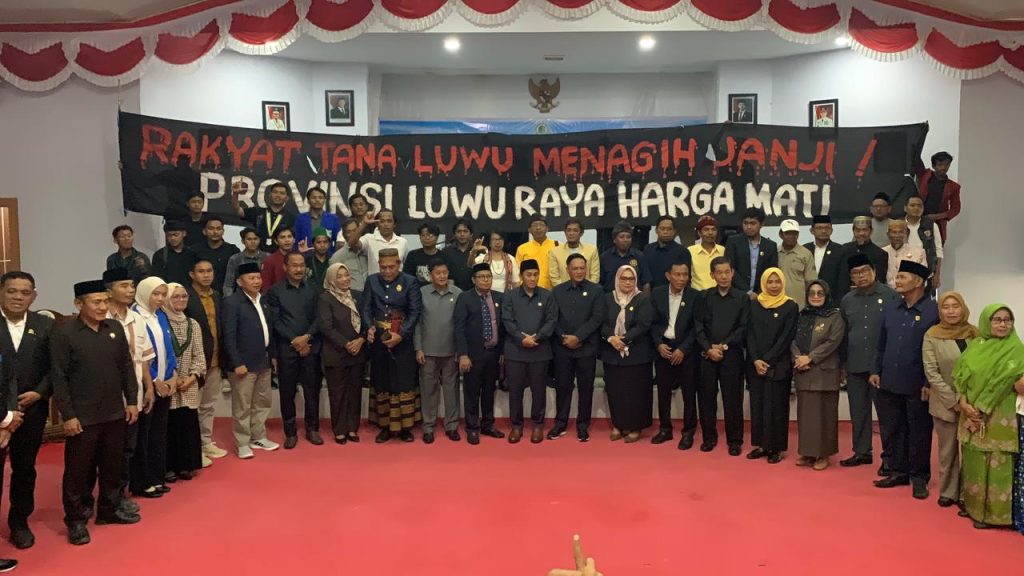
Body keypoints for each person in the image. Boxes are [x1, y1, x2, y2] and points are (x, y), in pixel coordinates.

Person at [52, 280, 139, 545]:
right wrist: (68, 415)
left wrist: (132, 400)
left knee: (112, 466)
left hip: (114, 412)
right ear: (79, 304)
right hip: (82, 415)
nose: (103, 307)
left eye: (105, 301)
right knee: (79, 471)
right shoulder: (65, 333)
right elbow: (59, 377)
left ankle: (108, 510)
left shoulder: (114, 328)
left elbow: (126, 367)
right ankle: (76, 519)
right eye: (96, 302)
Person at [871, 260, 938, 499]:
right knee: (893, 429)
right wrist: (875, 370)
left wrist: (929, 383)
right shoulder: (892, 307)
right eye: (897, 277)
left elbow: (937, 352)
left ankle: (919, 477)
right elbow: (881, 342)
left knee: (919, 431)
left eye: (902, 277)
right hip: (889, 379)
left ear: (918, 282)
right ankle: (898, 471)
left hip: (918, 383)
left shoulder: (933, 311)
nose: (897, 281)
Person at [953, 304, 1023, 529]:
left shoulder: (1016, 349)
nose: (1003, 324)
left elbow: (1003, 383)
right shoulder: (976, 345)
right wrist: (963, 402)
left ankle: (994, 516)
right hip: (970, 413)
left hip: (998, 415)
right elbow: (961, 376)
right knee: (973, 460)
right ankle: (972, 507)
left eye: (1007, 320)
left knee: (996, 464)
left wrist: (981, 408)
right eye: (997, 320)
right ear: (986, 322)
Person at [0, 272, 54, 550]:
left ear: (34, 295)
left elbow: (55, 366)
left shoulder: (45, 325)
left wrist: (40, 392)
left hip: (31, 408)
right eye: (12, 291)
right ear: (1, 292)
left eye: (24, 292)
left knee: (25, 468)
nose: (18, 297)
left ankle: (19, 522)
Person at [838, 253, 897, 468]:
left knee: (886, 415)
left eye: (864, 271)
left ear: (874, 271)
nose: (860, 276)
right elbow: (843, 334)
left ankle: (890, 458)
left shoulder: (890, 296)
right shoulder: (847, 300)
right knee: (858, 411)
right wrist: (842, 364)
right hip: (855, 364)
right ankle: (862, 451)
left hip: (881, 368)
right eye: (856, 273)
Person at [102, 269, 152, 519]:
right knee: (106, 453)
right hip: (107, 398)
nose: (130, 290)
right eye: (124, 285)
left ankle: (119, 496)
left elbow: (143, 357)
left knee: (127, 450)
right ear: (109, 290)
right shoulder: (100, 318)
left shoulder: (137, 318)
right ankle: (104, 500)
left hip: (134, 395)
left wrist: (149, 387)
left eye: (132, 285)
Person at [922, 292, 978, 508]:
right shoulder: (932, 335)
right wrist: (954, 401)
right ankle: (948, 492)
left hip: (973, 404)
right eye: (946, 307)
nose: (952, 311)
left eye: (956, 306)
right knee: (948, 451)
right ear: (940, 311)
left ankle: (967, 494)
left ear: (963, 308)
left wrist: (970, 402)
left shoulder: (976, 334)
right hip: (945, 403)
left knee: (971, 452)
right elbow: (932, 373)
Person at [362, 248, 422, 443]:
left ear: (398, 264)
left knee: (403, 381)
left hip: (403, 340)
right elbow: (366, 308)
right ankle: (385, 426)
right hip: (379, 339)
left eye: (391, 267)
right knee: (383, 380)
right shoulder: (372, 281)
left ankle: (405, 427)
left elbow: (415, 312)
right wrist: (369, 327)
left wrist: (401, 334)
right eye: (383, 267)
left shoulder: (410, 281)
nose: (387, 271)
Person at [223, 262, 279, 459]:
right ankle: (242, 442)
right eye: (251, 278)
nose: (256, 281)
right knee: (243, 405)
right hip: (243, 364)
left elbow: (269, 330)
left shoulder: (263, 300)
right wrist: (236, 362)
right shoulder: (232, 302)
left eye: (258, 278)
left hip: (263, 360)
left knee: (262, 402)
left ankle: (259, 436)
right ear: (240, 282)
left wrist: (272, 355)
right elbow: (228, 335)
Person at [267, 252, 322, 449]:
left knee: (312, 390)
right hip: (286, 348)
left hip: (311, 347)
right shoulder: (275, 291)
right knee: (287, 392)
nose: (298, 269)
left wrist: (306, 337)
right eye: (294, 265)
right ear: (285, 267)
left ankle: (312, 428)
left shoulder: (314, 289)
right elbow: (275, 321)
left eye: (301, 265)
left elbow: (319, 318)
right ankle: (290, 432)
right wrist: (295, 340)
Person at [695, 256, 749, 455]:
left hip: (732, 355)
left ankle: (735, 440)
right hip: (707, 354)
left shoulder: (742, 298)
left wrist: (723, 346)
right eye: (719, 272)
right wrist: (709, 348)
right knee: (706, 398)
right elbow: (698, 326)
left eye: (727, 272)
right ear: (712, 275)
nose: (724, 276)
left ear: (732, 273)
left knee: (732, 399)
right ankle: (709, 438)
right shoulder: (704, 297)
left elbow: (743, 327)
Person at [550, 254, 606, 442]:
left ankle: (583, 425)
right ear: (567, 270)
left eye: (582, 268)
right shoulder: (557, 291)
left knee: (586, 388)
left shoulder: (597, 290)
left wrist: (579, 337)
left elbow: (597, 318)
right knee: (562, 387)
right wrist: (564, 338)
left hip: (586, 348)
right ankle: (560, 423)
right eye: (575, 268)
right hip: (563, 347)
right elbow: (553, 318)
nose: (580, 271)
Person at [129, 277, 176, 500]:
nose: (159, 299)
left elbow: (169, 347)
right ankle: (142, 481)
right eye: (155, 294)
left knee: (159, 433)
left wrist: (173, 375)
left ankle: (157, 477)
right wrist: (155, 380)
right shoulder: (135, 316)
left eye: (163, 294)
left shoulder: (161, 315)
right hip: (148, 383)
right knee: (144, 435)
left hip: (166, 381)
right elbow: (141, 354)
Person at [746, 268, 798, 464]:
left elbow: (786, 337)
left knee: (777, 407)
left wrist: (767, 360)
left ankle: (776, 447)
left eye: (777, 281)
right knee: (758, 405)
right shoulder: (754, 304)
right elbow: (749, 334)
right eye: (770, 281)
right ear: (763, 283)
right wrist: (755, 359)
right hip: (756, 365)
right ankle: (761, 445)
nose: (774, 285)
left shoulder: (790, 306)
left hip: (778, 364)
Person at [502, 259, 557, 444]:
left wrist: (537, 337)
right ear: (521, 276)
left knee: (539, 391)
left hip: (540, 351)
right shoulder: (510, 296)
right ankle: (516, 426)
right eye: (528, 275)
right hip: (515, 351)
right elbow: (507, 320)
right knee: (515, 391)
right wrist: (521, 338)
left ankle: (538, 425)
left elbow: (551, 320)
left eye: (535, 274)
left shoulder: (547, 296)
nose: (532, 278)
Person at [792, 280, 846, 471]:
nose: (815, 297)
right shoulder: (802, 315)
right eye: (812, 293)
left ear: (826, 295)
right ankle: (807, 452)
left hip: (825, 372)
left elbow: (833, 341)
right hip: (803, 370)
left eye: (820, 293)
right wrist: (798, 358)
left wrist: (810, 358)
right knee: (806, 415)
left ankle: (823, 454)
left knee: (825, 416)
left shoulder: (835, 316)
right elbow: (792, 339)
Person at [649, 260, 701, 449]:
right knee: (663, 392)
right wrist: (658, 344)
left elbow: (697, 327)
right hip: (664, 348)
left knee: (689, 393)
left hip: (686, 350)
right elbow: (651, 323)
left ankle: (688, 431)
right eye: (677, 274)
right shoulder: (657, 294)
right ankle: (665, 429)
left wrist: (683, 349)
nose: (681, 278)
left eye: (685, 274)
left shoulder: (695, 296)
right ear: (668, 276)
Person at [600, 265, 654, 443]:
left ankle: (635, 426)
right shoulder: (607, 298)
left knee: (636, 393)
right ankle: (618, 424)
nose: (628, 282)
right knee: (616, 391)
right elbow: (601, 322)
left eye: (631, 279)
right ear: (617, 279)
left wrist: (623, 340)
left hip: (637, 355)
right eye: (624, 278)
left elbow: (643, 324)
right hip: (612, 354)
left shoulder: (642, 299)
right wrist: (611, 338)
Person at [454, 263, 506, 445]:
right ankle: (472, 428)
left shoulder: (499, 297)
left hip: (493, 354)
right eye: (481, 277)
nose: (486, 280)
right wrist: (463, 355)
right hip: (473, 355)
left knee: (489, 391)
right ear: (473, 279)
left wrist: (503, 352)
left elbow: (503, 327)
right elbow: (459, 328)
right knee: (472, 393)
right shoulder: (465, 298)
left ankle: (488, 425)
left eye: (488, 276)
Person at [318, 263, 367, 444]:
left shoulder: (358, 296)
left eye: (346, 275)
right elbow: (326, 327)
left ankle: (352, 428)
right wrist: (347, 344)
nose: (345, 279)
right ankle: (339, 430)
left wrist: (361, 339)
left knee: (355, 392)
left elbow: (367, 321)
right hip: (336, 353)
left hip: (358, 352)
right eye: (339, 276)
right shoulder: (325, 298)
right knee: (337, 394)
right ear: (331, 279)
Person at [415, 260, 462, 443]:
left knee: (451, 390)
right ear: (430, 275)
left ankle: (452, 426)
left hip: (451, 351)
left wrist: (461, 350)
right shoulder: (421, 293)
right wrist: (418, 348)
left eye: (445, 272)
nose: (442, 276)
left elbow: (461, 324)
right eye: (438, 273)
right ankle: (428, 427)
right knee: (428, 391)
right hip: (427, 351)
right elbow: (417, 324)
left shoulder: (457, 293)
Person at [161, 284, 205, 481]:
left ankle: (187, 465)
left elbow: (199, 355)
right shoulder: (160, 323)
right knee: (168, 426)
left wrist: (192, 377)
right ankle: (168, 466)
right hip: (167, 383)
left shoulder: (192, 324)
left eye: (184, 296)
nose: (181, 300)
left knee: (187, 423)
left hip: (188, 384)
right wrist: (173, 377)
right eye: (175, 297)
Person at [185, 259, 227, 464]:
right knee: (193, 406)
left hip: (215, 359)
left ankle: (206, 441)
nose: (206, 275)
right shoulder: (185, 297)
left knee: (209, 405)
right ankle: (193, 449)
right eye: (201, 271)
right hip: (195, 362)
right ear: (192, 274)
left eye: (209, 271)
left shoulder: (217, 295)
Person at [724, 207, 778, 296]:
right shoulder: (733, 242)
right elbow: (730, 269)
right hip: (736, 294)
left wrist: (760, 293)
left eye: (753, 223)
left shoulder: (770, 246)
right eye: (745, 223)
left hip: (762, 295)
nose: (748, 227)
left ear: (761, 224)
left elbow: (771, 272)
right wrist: (748, 292)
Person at [231, 180, 295, 253]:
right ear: (270, 195)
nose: (278, 195)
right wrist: (235, 194)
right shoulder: (258, 212)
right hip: (257, 254)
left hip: (279, 255)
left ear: (287, 198)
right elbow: (238, 210)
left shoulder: (291, 218)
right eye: (275, 192)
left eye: (282, 193)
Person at [915, 151, 961, 243]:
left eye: (946, 165)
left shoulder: (953, 186)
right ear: (933, 165)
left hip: (938, 224)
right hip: (917, 220)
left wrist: (936, 217)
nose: (943, 168)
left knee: (936, 249)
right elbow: (915, 158)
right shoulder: (924, 174)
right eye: (940, 164)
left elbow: (955, 209)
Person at [904, 195, 944, 292]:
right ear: (905, 208)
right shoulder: (899, 224)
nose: (916, 208)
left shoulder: (931, 226)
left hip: (926, 272)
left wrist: (937, 274)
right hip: (904, 271)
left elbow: (938, 251)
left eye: (919, 206)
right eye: (912, 205)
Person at [351, 209, 408, 276]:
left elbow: (406, 265)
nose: (386, 224)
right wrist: (364, 224)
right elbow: (352, 243)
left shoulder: (403, 242)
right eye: (382, 221)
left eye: (389, 221)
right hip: (375, 281)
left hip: (398, 281)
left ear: (394, 224)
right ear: (377, 224)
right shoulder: (369, 238)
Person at [191, 215, 239, 293]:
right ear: (204, 231)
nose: (215, 232)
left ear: (223, 231)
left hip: (226, 295)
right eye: (211, 228)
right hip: (199, 294)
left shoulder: (232, 250)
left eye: (218, 229)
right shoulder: (194, 250)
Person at [600, 221, 651, 293]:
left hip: (634, 298)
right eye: (622, 237)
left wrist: (645, 300)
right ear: (614, 240)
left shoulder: (639, 256)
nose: (625, 240)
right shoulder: (605, 257)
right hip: (610, 298)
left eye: (628, 237)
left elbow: (646, 283)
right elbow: (600, 283)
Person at [804, 215, 846, 302]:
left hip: (831, 300)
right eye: (819, 228)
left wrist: (839, 303)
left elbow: (843, 281)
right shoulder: (805, 250)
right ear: (812, 230)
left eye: (827, 228)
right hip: (807, 299)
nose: (823, 231)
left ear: (832, 230)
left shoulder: (840, 250)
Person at [840, 216, 888, 291]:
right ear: (853, 231)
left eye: (865, 230)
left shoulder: (879, 253)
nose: (861, 233)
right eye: (858, 230)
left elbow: (879, 281)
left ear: (871, 231)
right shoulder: (844, 249)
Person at [776, 219, 816, 308]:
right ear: (780, 234)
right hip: (777, 303)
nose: (791, 236)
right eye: (787, 233)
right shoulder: (774, 252)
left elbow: (811, 282)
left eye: (795, 233)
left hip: (799, 305)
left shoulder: (806, 254)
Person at [548, 218, 600, 287]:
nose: (571, 233)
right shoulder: (555, 252)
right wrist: (564, 290)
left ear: (581, 233)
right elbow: (554, 278)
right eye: (568, 230)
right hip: (564, 291)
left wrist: (588, 290)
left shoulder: (592, 250)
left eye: (575, 230)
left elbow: (595, 276)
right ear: (565, 232)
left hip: (587, 291)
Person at [643, 216, 691, 289]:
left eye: (669, 229)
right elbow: (645, 276)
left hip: (675, 293)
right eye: (662, 228)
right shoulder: (648, 249)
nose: (665, 232)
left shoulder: (682, 251)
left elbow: (686, 277)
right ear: (656, 230)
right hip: (652, 293)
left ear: (674, 231)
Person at [515, 215, 558, 291]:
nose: (538, 228)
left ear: (547, 229)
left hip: (553, 291)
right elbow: (518, 272)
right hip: (529, 291)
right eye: (535, 225)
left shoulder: (557, 246)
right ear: (529, 230)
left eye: (541, 225)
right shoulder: (522, 248)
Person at [223, 227, 269, 297]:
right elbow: (228, 284)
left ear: (259, 240)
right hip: (241, 297)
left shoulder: (267, 257)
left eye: (255, 239)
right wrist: (229, 300)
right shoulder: (235, 259)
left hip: (263, 297)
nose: (252, 242)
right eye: (249, 239)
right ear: (243, 241)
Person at [882, 220, 926, 289]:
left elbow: (922, 278)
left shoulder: (918, 253)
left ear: (906, 234)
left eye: (901, 232)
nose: (897, 235)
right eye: (894, 232)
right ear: (888, 234)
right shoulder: (882, 252)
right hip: (887, 291)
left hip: (910, 291)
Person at [151, 221, 197, 286]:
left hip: (189, 290)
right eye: (169, 235)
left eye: (176, 235)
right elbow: (156, 279)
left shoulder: (192, 254)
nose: (172, 238)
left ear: (184, 233)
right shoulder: (160, 255)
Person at [293, 187, 340, 252]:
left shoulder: (333, 219)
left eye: (320, 198)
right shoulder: (300, 219)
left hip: (327, 255)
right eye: (314, 198)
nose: (317, 200)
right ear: (308, 201)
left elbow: (337, 240)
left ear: (324, 200)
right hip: (305, 255)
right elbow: (296, 240)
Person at [329, 219, 370, 292]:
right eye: (348, 232)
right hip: (350, 296)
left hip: (370, 294)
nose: (353, 234)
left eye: (355, 231)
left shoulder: (368, 250)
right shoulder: (337, 257)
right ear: (344, 235)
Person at [687, 215, 724, 292]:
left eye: (713, 229)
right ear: (699, 233)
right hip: (697, 294)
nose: (710, 233)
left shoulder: (723, 250)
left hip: (720, 294)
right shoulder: (690, 251)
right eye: (706, 229)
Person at [260, 226, 296, 294]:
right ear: (276, 241)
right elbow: (265, 288)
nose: (287, 240)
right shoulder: (269, 261)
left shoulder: (299, 258)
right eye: (282, 237)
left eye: (289, 236)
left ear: (294, 239)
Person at [443, 219, 475, 291]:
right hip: (452, 292)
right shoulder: (446, 252)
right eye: (459, 231)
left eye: (465, 231)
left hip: (474, 293)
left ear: (471, 234)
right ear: (454, 234)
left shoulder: (478, 252)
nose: (462, 234)